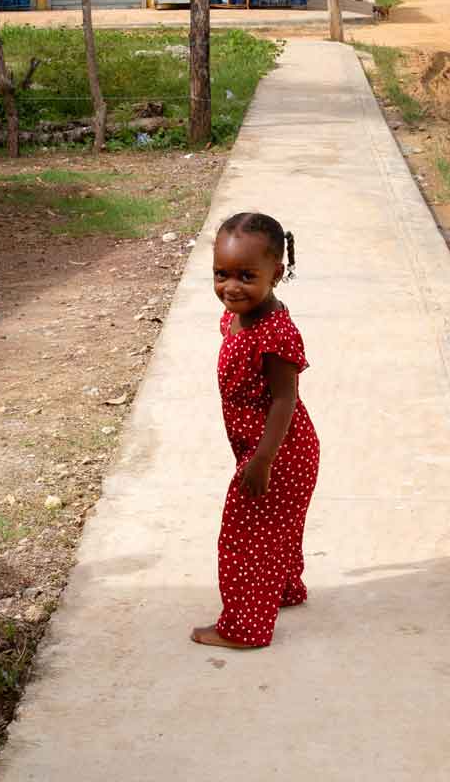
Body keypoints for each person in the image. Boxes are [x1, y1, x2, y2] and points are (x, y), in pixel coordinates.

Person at [191, 211, 319, 650]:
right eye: (221, 274)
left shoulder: (276, 335)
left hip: (278, 450)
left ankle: (244, 627)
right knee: (275, 527)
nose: (231, 287)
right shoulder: (239, 319)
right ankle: (283, 590)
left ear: (276, 274)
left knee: (246, 537)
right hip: (268, 448)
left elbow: (284, 400)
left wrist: (262, 459)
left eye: (247, 276)